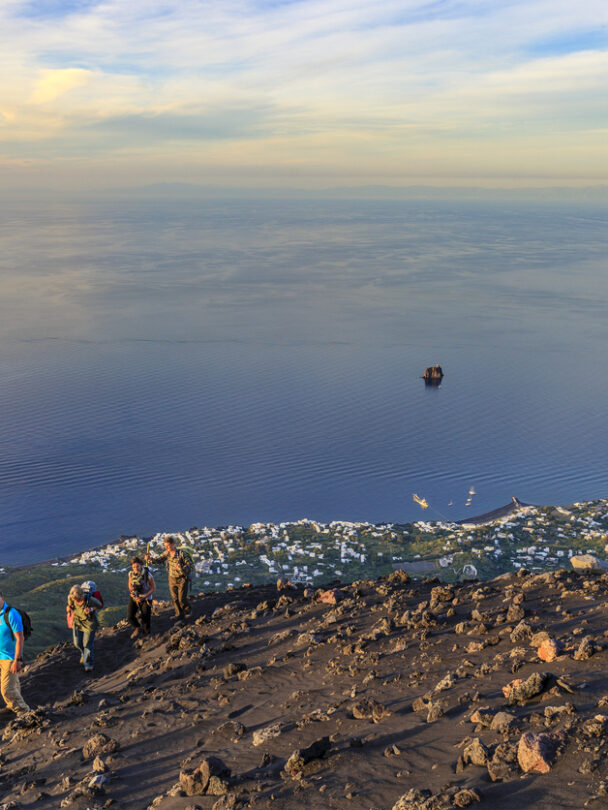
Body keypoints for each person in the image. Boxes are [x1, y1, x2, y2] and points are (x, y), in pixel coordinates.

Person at [146, 535, 192, 625]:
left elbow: (189, 565)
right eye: (165, 546)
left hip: (182, 578)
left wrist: (182, 568)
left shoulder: (182, 554)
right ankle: (179, 615)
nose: (167, 548)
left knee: (181, 599)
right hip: (172, 578)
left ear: (173, 544)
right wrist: (149, 559)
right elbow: (158, 560)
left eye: (168, 546)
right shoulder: (166, 553)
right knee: (175, 599)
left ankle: (188, 610)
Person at [0, 591, 30, 716]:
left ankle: (24, 712)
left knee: (6, 689)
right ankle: (11, 706)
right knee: (14, 684)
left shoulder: (11, 614)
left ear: (1, 597)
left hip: (10, 657)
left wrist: (17, 660)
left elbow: (20, 638)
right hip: (1, 656)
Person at [67, 585, 101, 673]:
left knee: (87, 644)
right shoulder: (71, 598)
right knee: (77, 643)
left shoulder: (89, 600)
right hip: (78, 623)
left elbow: (100, 605)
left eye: (77, 600)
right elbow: (69, 605)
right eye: (74, 600)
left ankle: (88, 664)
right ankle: (84, 654)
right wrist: (68, 608)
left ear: (82, 596)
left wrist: (91, 609)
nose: (75, 601)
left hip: (89, 624)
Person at [127, 556, 155, 638]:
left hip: (146, 598)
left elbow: (153, 588)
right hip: (135, 597)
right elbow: (130, 584)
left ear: (141, 565)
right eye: (134, 567)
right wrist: (132, 592)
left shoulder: (148, 575)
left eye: (137, 566)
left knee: (145, 616)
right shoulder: (130, 574)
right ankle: (137, 627)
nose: (136, 568)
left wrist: (145, 596)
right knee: (130, 617)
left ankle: (146, 634)